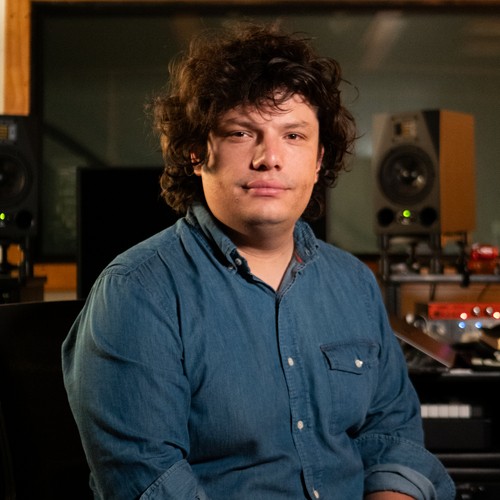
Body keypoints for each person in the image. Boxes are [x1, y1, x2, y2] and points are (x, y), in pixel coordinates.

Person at [62, 22, 455, 500]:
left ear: (318, 160)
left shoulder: (354, 283)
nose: (270, 158)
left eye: (293, 135)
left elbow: (392, 434)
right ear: (196, 153)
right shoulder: (137, 292)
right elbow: (148, 480)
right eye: (242, 132)